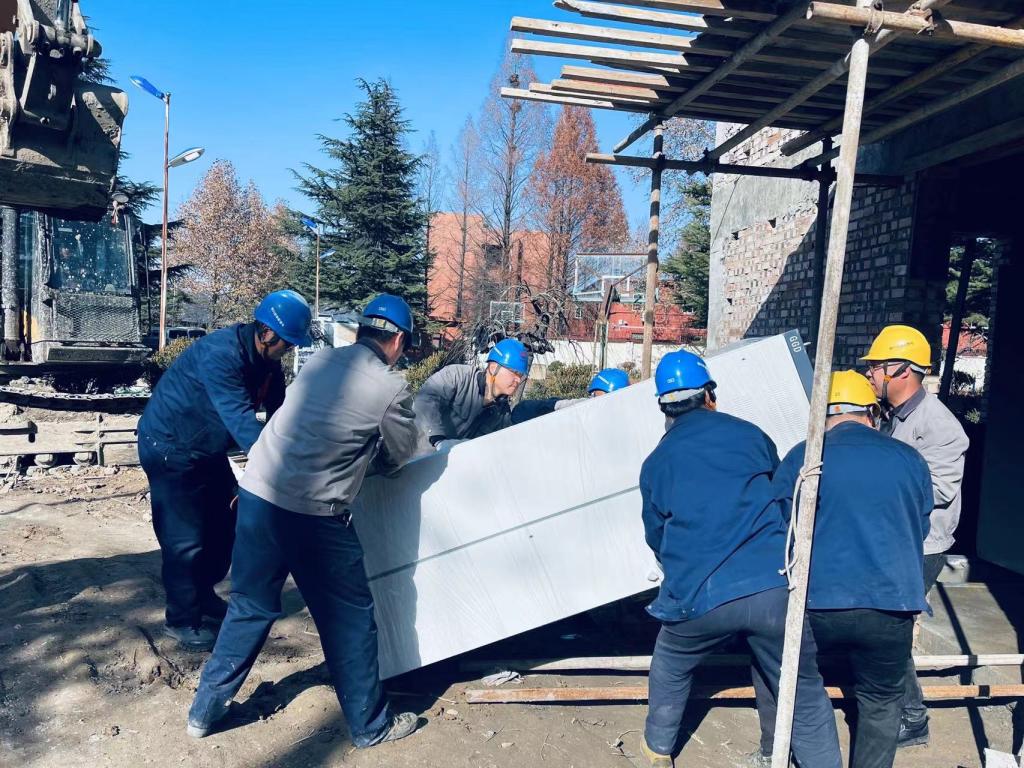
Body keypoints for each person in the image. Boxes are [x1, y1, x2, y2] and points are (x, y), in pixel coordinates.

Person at [187, 294, 422, 748]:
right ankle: (371, 726)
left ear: (362, 331)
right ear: (397, 341)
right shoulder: (389, 387)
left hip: (257, 495)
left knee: (249, 606)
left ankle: (204, 712)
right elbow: (400, 455)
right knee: (349, 620)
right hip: (314, 516)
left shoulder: (319, 362)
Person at [638, 350, 841, 768]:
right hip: (771, 590)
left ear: (663, 407)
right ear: (709, 394)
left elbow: (655, 533)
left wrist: (679, 568)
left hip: (698, 597)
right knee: (801, 689)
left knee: (670, 665)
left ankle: (657, 752)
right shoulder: (751, 436)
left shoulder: (657, 462)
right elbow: (783, 497)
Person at [755, 371, 933, 768]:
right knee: (881, 701)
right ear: (871, 413)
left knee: (802, 688)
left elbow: (780, 527)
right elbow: (920, 527)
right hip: (891, 604)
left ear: (821, 415)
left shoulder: (804, 457)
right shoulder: (909, 459)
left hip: (816, 602)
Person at [137, 289, 311, 651]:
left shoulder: (267, 363)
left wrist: (301, 454)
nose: (290, 349)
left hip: (206, 448)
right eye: (288, 342)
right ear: (266, 333)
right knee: (185, 539)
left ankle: (202, 595)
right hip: (170, 447)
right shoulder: (221, 355)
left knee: (225, 525)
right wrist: (279, 472)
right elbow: (242, 421)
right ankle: (181, 619)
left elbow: (280, 417)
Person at [862, 325, 969, 748]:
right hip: (894, 539)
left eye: (876, 366)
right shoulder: (889, 416)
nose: (870, 374)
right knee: (881, 624)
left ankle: (912, 716)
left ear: (902, 370)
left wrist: (872, 486)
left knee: (890, 629)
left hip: (920, 546)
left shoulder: (939, 426)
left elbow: (938, 489)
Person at [414, 337, 530, 445]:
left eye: (520, 375)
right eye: (514, 372)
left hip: (456, 459)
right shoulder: (457, 377)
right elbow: (425, 399)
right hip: (420, 454)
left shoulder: (502, 415)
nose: (518, 379)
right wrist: (438, 440)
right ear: (493, 367)